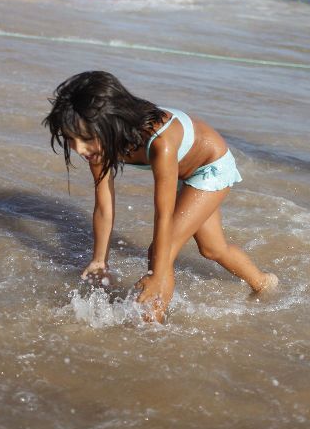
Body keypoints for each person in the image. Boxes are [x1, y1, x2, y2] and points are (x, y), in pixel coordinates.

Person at [43, 71, 278, 322]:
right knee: (212, 249)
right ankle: (264, 283)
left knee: (160, 253)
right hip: (181, 172)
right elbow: (103, 207)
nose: (79, 149)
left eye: (86, 139)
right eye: (71, 139)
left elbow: (163, 213)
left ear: (112, 123)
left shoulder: (160, 142)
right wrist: (100, 260)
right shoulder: (97, 146)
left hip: (210, 167)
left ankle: (152, 329)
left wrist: (156, 274)